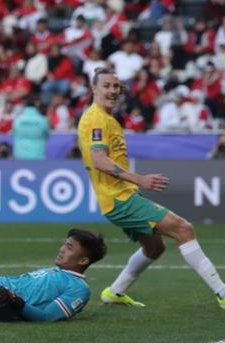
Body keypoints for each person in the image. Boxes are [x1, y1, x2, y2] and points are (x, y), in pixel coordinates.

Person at [77, 68, 225, 309]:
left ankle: (115, 292)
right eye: (106, 86)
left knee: (154, 247)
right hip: (118, 199)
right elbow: (99, 160)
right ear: (94, 89)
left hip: (120, 196)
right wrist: (140, 179)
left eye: (116, 86)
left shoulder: (105, 117)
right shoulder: (96, 119)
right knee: (183, 229)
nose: (113, 91)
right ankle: (222, 292)